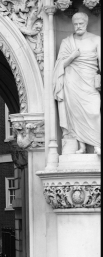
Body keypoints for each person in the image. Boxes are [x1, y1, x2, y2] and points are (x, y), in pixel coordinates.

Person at [53, 11, 101, 155]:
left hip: (89, 80)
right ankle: (82, 147)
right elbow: (60, 64)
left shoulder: (96, 39)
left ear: (86, 24)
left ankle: (97, 144)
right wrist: (73, 56)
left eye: (81, 24)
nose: (78, 26)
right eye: (75, 24)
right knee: (76, 114)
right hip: (72, 81)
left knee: (93, 111)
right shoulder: (67, 42)